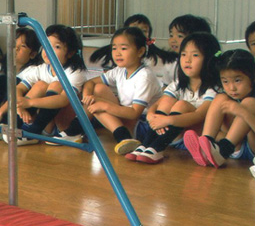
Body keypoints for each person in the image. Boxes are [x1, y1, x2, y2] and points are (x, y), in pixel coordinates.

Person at [66, 27, 163, 155]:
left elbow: (134, 113)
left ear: (140, 51)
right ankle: (121, 135)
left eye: (123, 49)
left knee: (97, 104)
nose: (117, 53)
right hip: (126, 118)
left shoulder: (145, 76)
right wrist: (87, 96)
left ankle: (77, 129)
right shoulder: (120, 70)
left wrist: (103, 104)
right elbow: (90, 82)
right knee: (98, 90)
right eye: (114, 48)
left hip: (143, 124)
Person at [127, 32, 221, 164]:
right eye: (183, 55)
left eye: (195, 55)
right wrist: (152, 115)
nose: (187, 60)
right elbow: (159, 103)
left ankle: (157, 147)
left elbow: (200, 115)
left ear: (209, 59)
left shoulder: (213, 88)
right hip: (173, 134)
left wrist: (168, 120)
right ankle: (147, 145)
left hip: (194, 135)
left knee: (181, 105)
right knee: (167, 100)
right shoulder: (178, 83)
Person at [9, 24, 88, 145]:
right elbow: (18, 89)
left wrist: (29, 102)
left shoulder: (75, 72)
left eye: (56, 47)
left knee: (55, 85)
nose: (48, 50)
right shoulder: (40, 69)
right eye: (46, 45)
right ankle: (23, 128)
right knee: (40, 85)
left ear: (70, 52)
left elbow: (63, 100)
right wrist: (21, 106)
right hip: (46, 125)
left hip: (63, 126)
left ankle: (32, 132)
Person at [184, 49, 255, 171]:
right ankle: (207, 143)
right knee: (220, 97)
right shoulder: (228, 97)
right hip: (236, 146)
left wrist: (242, 112)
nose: (231, 87)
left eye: (238, 80)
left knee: (249, 103)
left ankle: (222, 151)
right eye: (225, 81)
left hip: (252, 148)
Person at [0, 26, 44, 140]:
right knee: (1, 81)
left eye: (23, 46)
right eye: (13, 44)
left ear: (33, 54)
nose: (16, 49)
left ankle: (1, 124)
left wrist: (0, 113)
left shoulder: (33, 70)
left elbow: (18, 95)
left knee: (14, 82)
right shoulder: (2, 66)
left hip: (17, 112)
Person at [89, 14, 178, 87]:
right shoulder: (116, 68)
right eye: (115, 48)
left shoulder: (147, 72)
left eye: (144, 30)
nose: (138, 33)